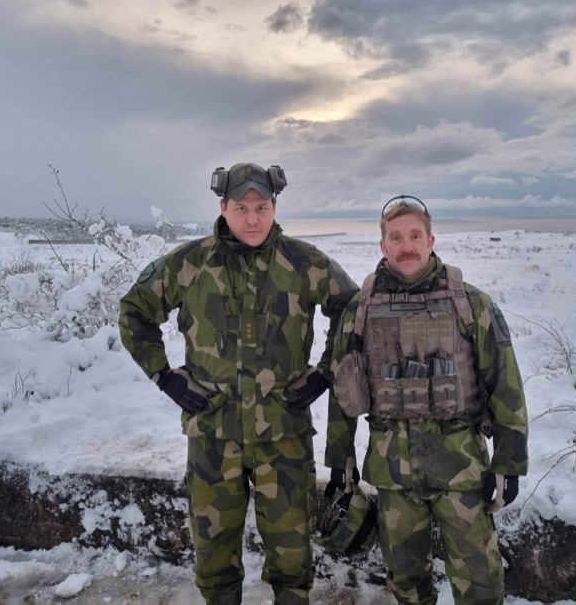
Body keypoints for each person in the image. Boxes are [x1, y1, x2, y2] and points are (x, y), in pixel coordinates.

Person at [119, 162, 358, 605]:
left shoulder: (305, 263)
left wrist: (326, 371)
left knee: (292, 558)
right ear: (223, 206)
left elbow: (353, 312)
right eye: (242, 207)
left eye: (262, 207)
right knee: (213, 559)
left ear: (274, 207)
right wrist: (164, 376)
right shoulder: (190, 264)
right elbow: (134, 311)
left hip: (284, 436)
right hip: (212, 436)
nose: (252, 218)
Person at [325, 195, 528, 604]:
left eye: (415, 235)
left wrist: (510, 463)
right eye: (396, 237)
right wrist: (339, 463)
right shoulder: (359, 311)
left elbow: (506, 385)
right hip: (394, 476)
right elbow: (342, 390)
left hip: (461, 470)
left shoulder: (470, 304)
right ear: (383, 245)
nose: (407, 246)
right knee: (407, 585)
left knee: (481, 585)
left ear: (431, 239)